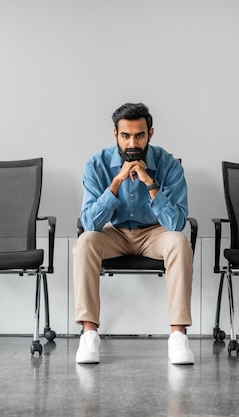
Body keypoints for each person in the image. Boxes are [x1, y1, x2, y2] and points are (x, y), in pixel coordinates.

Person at [73, 102, 194, 365]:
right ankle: (89, 332)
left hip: (155, 233)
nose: (132, 143)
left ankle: (178, 335)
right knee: (85, 243)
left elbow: (175, 224)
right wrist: (115, 183)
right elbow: (90, 223)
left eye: (139, 135)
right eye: (125, 135)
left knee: (179, 242)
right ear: (115, 134)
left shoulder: (168, 164)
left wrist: (151, 184)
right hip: (113, 233)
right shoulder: (96, 164)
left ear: (150, 133)